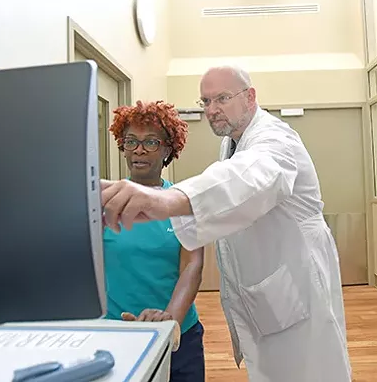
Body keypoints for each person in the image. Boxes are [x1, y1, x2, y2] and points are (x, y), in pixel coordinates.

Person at [100, 66, 352, 382]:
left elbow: (247, 178)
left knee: (308, 371)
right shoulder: (233, 141)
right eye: (205, 101)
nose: (212, 109)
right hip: (269, 290)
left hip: (295, 283)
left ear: (250, 97)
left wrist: (165, 201)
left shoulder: (275, 139)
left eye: (222, 98)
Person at [103, 101, 205, 382]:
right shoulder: (105, 202)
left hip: (179, 334)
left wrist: (169, 321)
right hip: (117, 334)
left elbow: (192, 266)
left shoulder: (182, 203)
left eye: (150, 142)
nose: (139, 149)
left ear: (167, 150)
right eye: (131, 141)